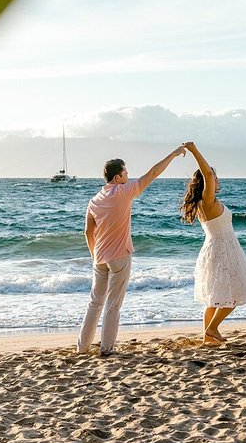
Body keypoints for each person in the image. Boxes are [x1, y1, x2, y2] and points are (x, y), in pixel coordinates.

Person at [77, 146, 187, 356]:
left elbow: (88, 232)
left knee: (95, 302)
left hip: (99, 258)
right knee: (113, 305)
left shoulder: (94, 200)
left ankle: (82, 347)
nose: (129, 176)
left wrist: (93, 255)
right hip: (119, 257)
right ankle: (107, 349)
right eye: (126, 173)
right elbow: (153, 174)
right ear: (118, 177)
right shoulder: (123, 192)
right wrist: (173, 154)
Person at [180, 141, 246, 344]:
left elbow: (207, 175)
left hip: (216, 248)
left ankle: (208, 336)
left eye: (215, 176)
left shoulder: (204, 202)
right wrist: (194, 150)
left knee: (215, 298)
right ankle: (212, 329)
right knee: (233, 295)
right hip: (221, 249)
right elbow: (206, 174)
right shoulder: (208, 201)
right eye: (214, 177)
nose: (216, 179)